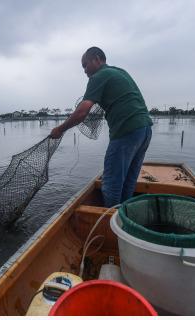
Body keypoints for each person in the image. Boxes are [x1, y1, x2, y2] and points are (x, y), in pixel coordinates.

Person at [50, 47, 153, 207]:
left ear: (97, 59)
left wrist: (60, 129)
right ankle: (123, 218)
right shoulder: (120, 72)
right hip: (145, 130)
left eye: (85, 65)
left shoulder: (98, 76)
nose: (84, 70)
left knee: (111, 183)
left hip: (126, 130)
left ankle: (110, 224)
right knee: (128, 181)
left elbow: (82, 112)